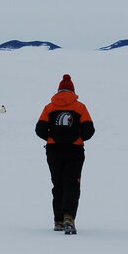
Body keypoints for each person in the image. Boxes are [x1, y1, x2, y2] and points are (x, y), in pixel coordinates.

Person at [35, 74, 95, 234]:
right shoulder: (80, 107)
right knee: (72, 184)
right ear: (73, 91)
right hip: (74, 151)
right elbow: (89, 131)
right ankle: (69, 217)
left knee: (58, 185)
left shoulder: (49, 108)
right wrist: (78, 137)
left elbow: (39, 129)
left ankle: (58, 220)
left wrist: (51, 137)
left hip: (54, 151)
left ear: (58, 90)